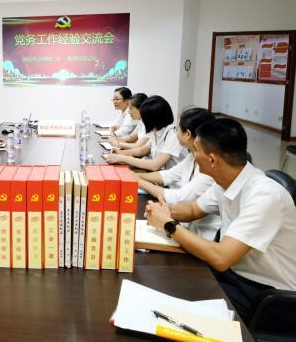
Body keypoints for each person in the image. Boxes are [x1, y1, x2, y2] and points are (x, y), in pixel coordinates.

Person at [146, 118, 296, 323]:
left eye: (195, 150)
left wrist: (168, 224)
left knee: (175, 303)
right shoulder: (227, 180)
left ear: (212, 160)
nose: (192, 155)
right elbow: (193, 209)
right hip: (236, 276)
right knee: (169, 283)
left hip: (268, 296)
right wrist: (162, 211)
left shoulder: (265, 195)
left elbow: (221, 257)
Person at [137, 108, 218, 239]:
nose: (175, 132)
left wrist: (139, 182)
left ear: (188, 134)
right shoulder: (192, 156)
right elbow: (168, 175)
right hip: (187, 225)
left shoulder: (210, 166)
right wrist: (137, 176)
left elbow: (180, 198)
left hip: (205, 235)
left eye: (177, 129)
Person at [105, 95, 186, 171]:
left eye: (144, 117)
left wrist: (122, 158)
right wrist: (120, 153)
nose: (143, 120)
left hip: (171, 179)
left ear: (152, 118)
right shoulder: (156, 131)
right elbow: (142, 150)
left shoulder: (172, 135)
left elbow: (154, 165)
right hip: (160, 174)